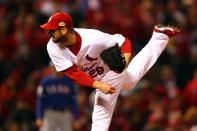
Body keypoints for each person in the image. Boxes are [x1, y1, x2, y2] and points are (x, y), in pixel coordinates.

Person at [40, 12, 180, 131]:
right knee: (130, 81)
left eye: (52, 30)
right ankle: (160, 36)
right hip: (98, 77)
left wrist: (124, 61)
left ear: (64, 30)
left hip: (111, 69)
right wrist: (98, 84)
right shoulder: (52, 47)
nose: (49, 33)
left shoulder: (93, 39)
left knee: (101, 115)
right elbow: (72, 73)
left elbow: (124, 41)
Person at [36, 61, 79, 131]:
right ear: (51, 68)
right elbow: (40, 100)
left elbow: (73, 101)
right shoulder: (45, 82)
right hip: (50, 113)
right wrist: (39, 116)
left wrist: (76, 117)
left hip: (65, 113)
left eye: (58, 67)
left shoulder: (69, 82)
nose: (56, 69)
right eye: (54, 67)